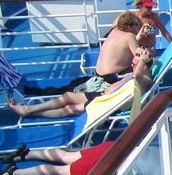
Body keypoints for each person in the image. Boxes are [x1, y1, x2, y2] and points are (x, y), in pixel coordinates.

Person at [8, 28, 151, 119]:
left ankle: (30, 111)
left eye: (136, 58)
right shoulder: (137, 71)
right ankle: (29, 109)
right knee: (68, 96)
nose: (133, 59)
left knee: (70, 109)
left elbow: (138, 76)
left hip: (107, 103)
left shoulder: (142, 76)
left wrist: (142, 60)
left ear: (144, 64)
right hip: (102, 96)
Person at [21, 11, 145, 98]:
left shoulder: (114, 31)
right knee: (142, 71)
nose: (138, 25)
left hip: (100, 74)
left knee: (68, 89)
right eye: (136, 24)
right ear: (128, 27)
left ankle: (36, 91)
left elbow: (117, 24)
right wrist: (146, 52)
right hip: (111, 77)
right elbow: (138, 56)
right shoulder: (129, 36)